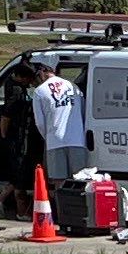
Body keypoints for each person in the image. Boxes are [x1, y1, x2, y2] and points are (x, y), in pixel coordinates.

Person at [25, 62, 87, 225]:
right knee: (80, 179)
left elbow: (39, 122)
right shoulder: (72, 86)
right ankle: (80, 214)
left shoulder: (39, 92)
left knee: (59, 181)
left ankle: (63, 214)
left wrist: (48, 137)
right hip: (77, 139)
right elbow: (83, 111)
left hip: (54, 141)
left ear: (41, 74)